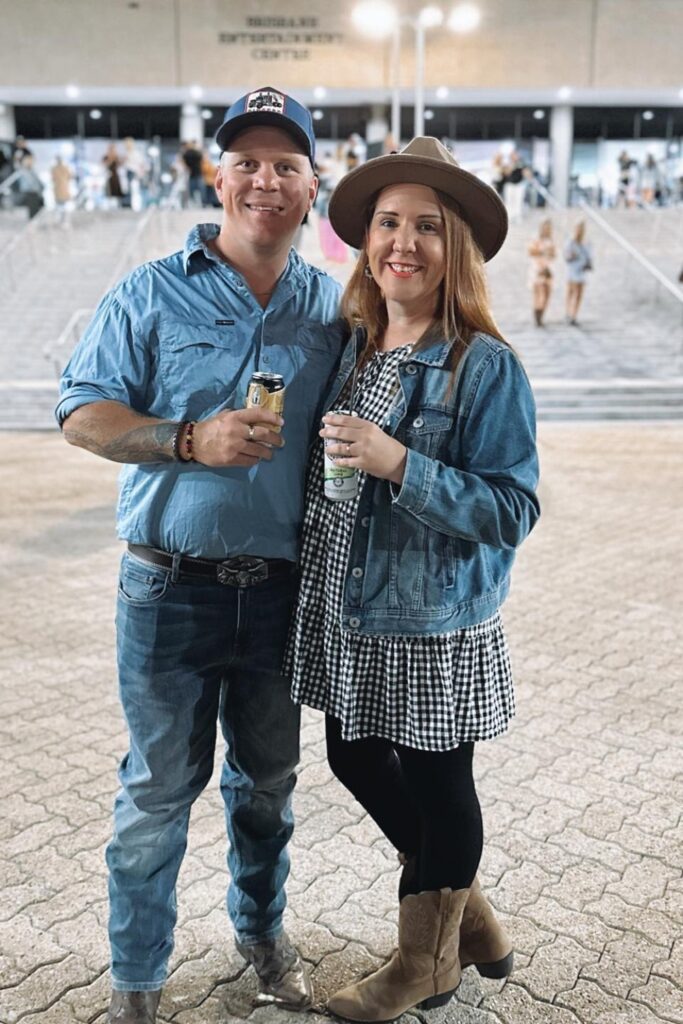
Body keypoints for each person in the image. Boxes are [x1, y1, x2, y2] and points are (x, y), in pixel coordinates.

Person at [55, 86, 343, 1024]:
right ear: (219, 175)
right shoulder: (149, 290)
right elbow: (81, 413)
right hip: (165, 590)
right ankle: (138, 979)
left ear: (311, 185)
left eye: (286, 164)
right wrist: (187, 440)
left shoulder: (332, 309)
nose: (265, 179)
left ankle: (260, 937)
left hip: (278, 595)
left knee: (266, 791)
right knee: (156, 797)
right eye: (247, 161)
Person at [286, 137, 540, 1022]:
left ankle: (420, 964)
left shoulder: (482, 364)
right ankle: (461, 918)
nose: (403, 241)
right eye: (387, 222)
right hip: (348, 613)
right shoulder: (354, 345)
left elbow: (512, 508)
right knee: (350, 754)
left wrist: (402, 464)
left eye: (427, 226)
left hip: (428, 621)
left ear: (455, 246)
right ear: (365, 242)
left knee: (438, 784)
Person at [528, 218, 556, 326]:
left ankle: (541, 314)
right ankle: (537, 316)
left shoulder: (551, 240)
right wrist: (543, 250)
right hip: (537, 268)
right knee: (539, 293)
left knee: (547, 293)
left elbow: (553, 255)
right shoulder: (536, 239)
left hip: (548, 268)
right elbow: (531, 251)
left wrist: (550, 252)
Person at [564, 220, 593, 326]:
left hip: (582, 270)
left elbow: (590, 256)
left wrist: (589, 263)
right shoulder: (570, 241)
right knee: (571, 292)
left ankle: (574, 315)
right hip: (572, 269)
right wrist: (573, 255)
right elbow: (566, 256)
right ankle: (568, 312)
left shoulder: (586, 242)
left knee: (579, 294)